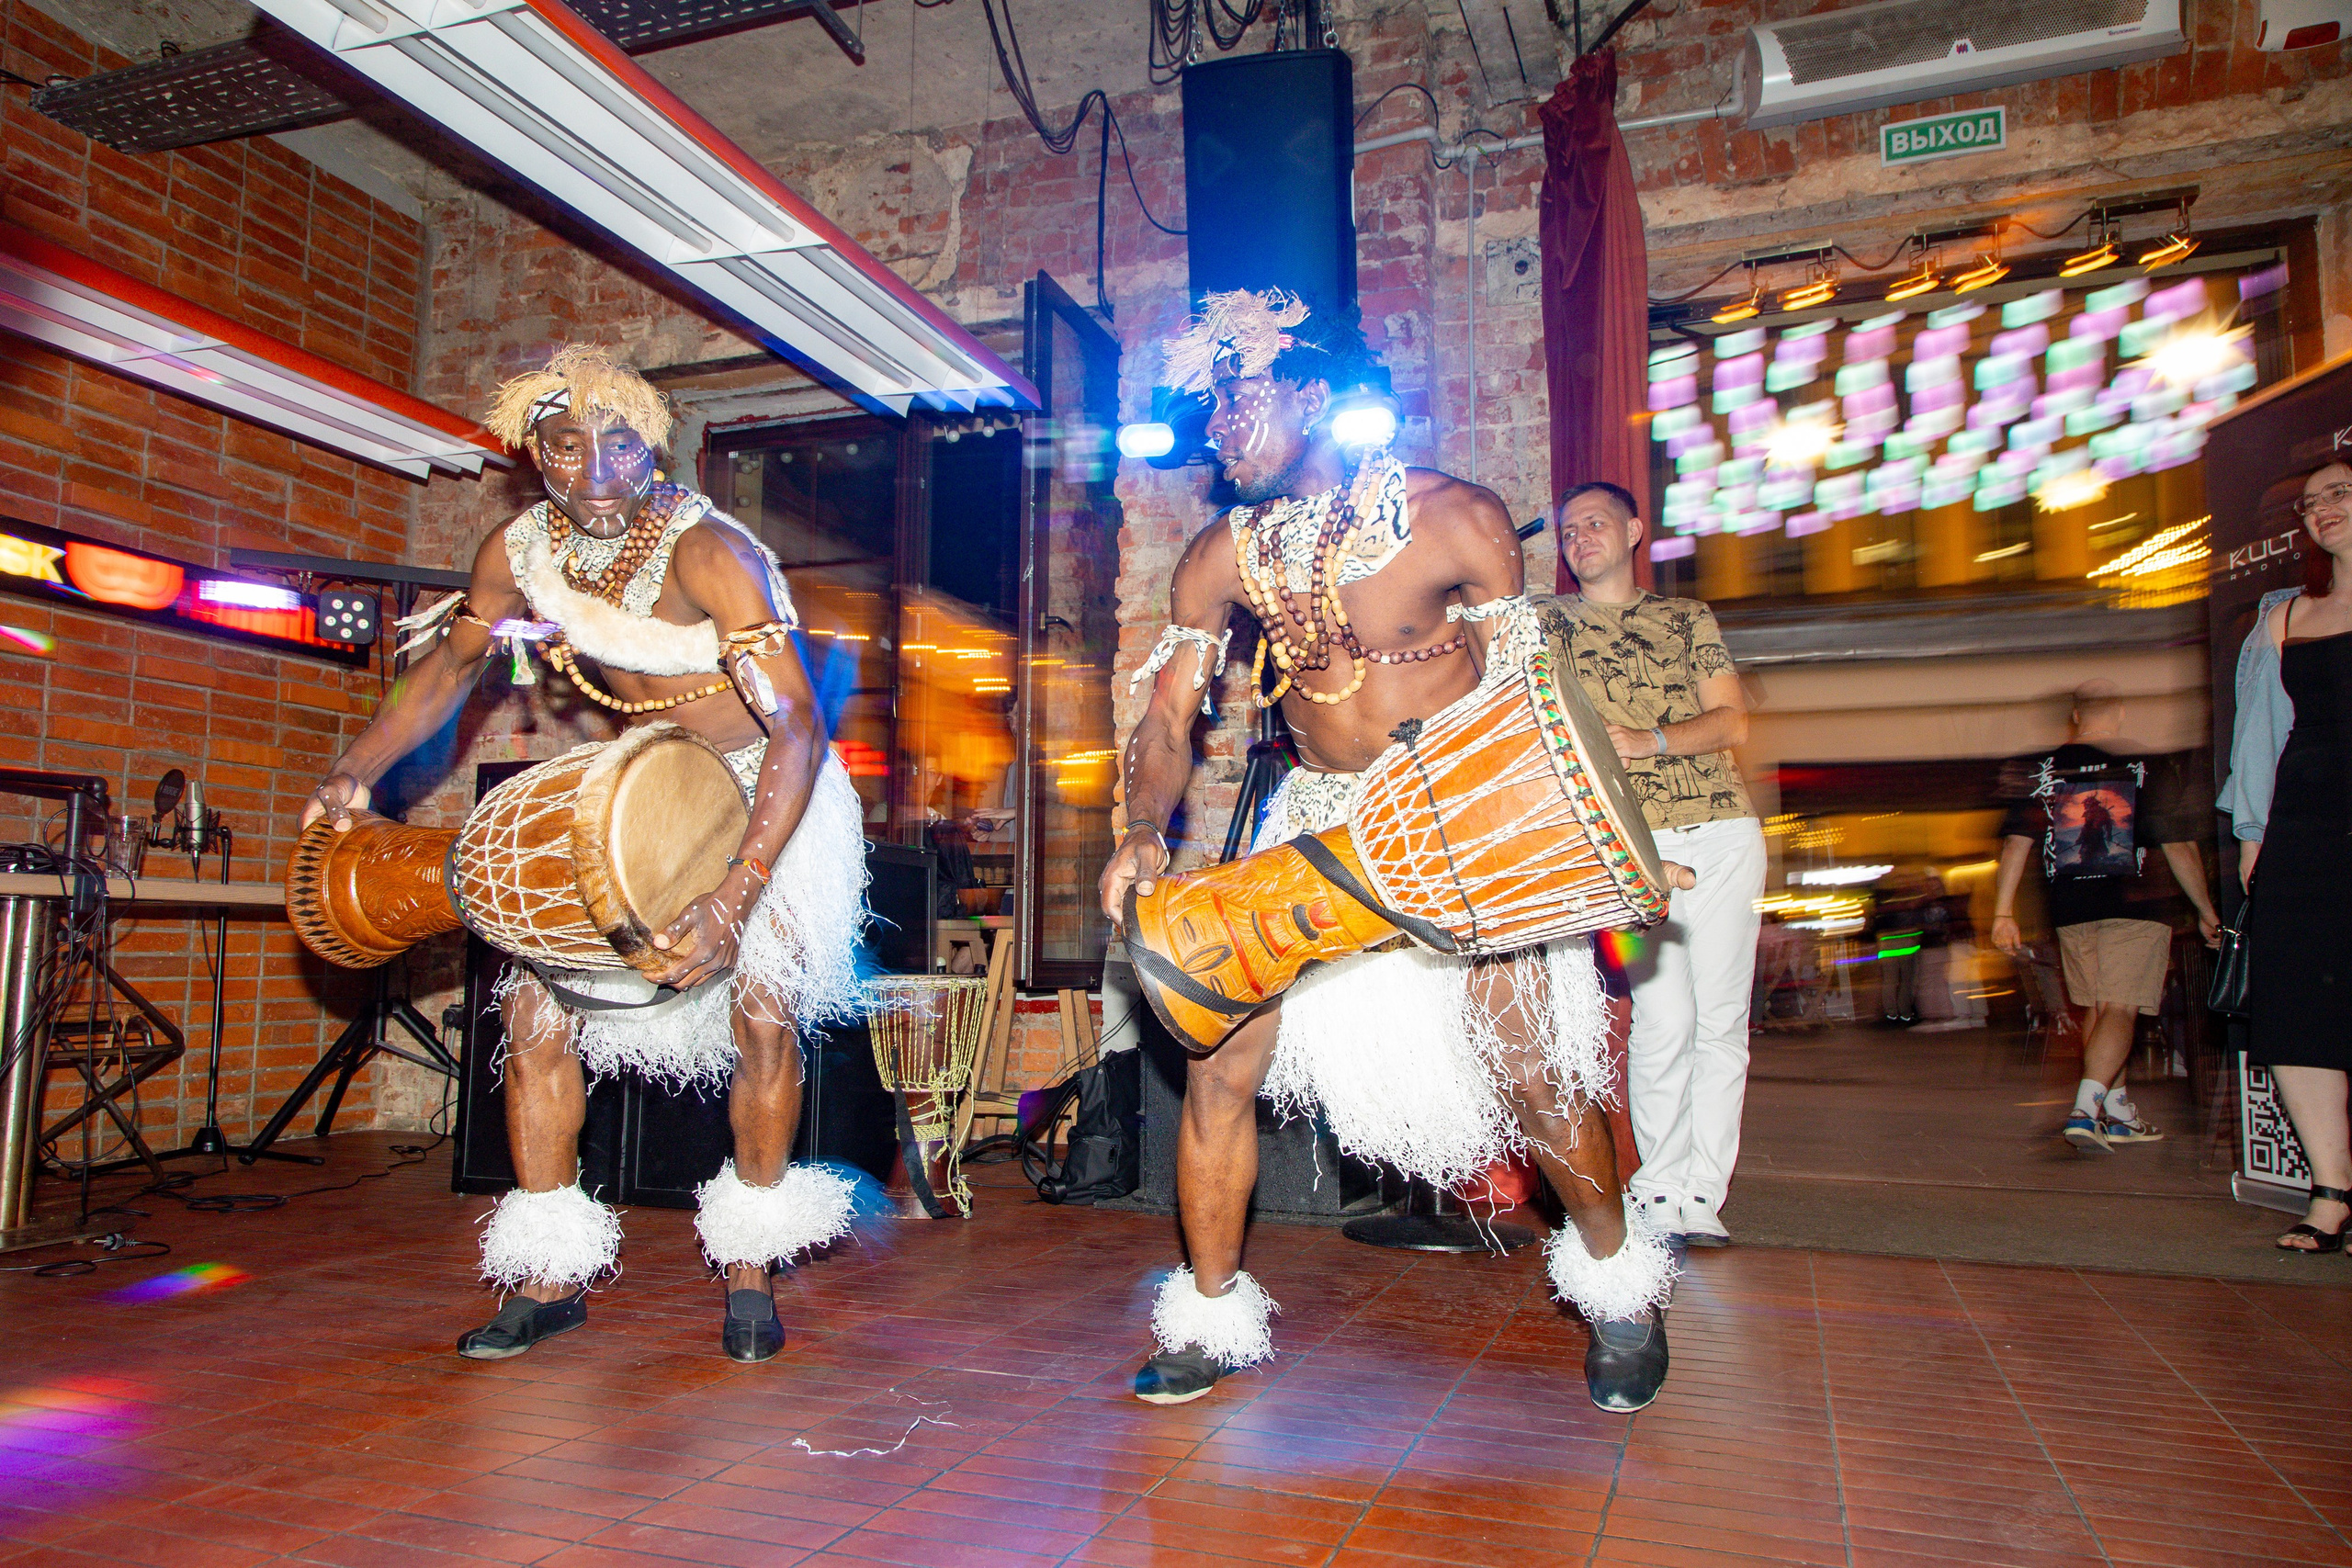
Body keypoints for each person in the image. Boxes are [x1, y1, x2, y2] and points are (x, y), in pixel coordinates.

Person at [1102, 289, 1694, 1414]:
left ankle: (1620, 1290)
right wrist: (1141, 827)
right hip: (1315, 824)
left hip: (1459, 817)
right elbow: (1169, 717)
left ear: (1314, 394)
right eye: (1211, 405)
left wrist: (1602, 839)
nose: (1217, 426)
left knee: (1532, 1068)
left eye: (1239, 396)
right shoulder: (1220, 556)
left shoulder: (1453, 518)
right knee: (1217, 1055)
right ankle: (1209, 1315)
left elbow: (1536, 701)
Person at [300, 345, 867, 1360]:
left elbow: (796, 725)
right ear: (536, 455)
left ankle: (749, 1265)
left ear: (653, 450)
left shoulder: (711, 551)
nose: (599, 475)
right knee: (532, 1012)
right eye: (569, 448)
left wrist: (739, 890)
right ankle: (550, 1275)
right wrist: (355, 770)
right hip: (639, 793)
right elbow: (447, 671)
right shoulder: (518, 552)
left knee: (762, 1012)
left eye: (621, 448)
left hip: (763, 789)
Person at [1544, 482, 1765, 1250]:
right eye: (1568, 529)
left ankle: (1702, 1193)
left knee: (1721, 1020)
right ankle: (1659, 1186)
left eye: (1596, 522)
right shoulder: (1548, 624)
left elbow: (1733, 719)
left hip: (1725, 832)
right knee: (1663, 1015)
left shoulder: (1687, 617)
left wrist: (1650, 740)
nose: (1580, 536)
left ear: (1635, 530)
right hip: (1627, 847)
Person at [1991, 682, 2220, 1153]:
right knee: (2120, 1008)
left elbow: (2016, 843)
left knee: (2098, 1008)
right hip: (2133, 905)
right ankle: (2084, 1111)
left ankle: (2118, 1114)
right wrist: (2206, 910)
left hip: (2070, 908)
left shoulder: (2043, 769)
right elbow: (2177, 845)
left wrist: (2002, 912)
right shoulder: (2144, 767)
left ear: (2075, 716)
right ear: (2117, 713)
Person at [2219, 457, 2352, 1252]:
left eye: (2340, 493)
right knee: (2299, 1008)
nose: (2321, 509)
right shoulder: (2284, 616)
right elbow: (2259, 735)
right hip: (2304, 826)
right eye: (2310, 503)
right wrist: (2252, 836)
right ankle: (2331, 1192)